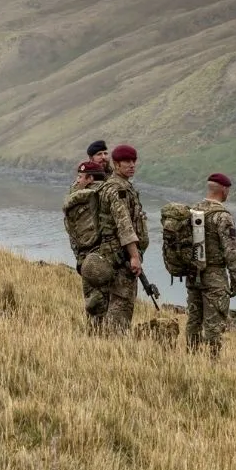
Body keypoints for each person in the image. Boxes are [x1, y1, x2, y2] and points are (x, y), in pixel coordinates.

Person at [92, 143, 149, 334]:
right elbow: (124, 225)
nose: (132, 165)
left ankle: (108, 340)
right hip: (120, 256)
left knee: (114, 303)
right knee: (121, 304)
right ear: (116, 164)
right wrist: (134, 256)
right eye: (127, 161)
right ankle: (113, 343)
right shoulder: (117, 189)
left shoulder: (121, 186)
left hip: (113, 254)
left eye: (134, 161)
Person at [185, 173, 236, 358]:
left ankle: (191, 357)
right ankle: (211, 362)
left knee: (194, 319)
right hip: (215, 276)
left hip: (193, 274)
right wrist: (235, 278)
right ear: (224, 190)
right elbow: (231, 250)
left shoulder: (193, 210)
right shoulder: (223, 217)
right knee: (213, 324)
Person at [66, 159, 109, 326]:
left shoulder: (77, 199)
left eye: (80, 176)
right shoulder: (106, 195)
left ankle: (95, 333)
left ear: (90, 179)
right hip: (106, 256)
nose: (77, 180)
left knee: (93, 301)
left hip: (86, 258)